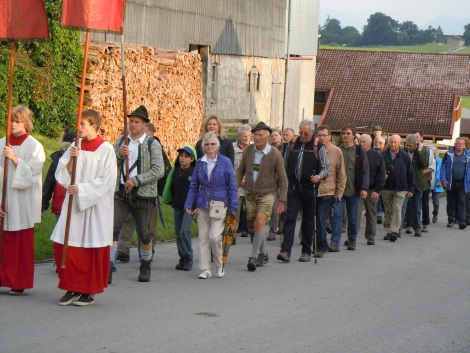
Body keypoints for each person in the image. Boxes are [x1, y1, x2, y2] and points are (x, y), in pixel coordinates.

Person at [51, 109, 117, 306]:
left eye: (83, 124)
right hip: (73, 204)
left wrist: (82, 189)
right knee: (64, 242)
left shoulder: (105, 149)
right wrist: (72, 157)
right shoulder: (75, 145)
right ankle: (71, 286)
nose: (78, 128)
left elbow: (107, 181)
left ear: (94, 126)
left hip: (94, 205)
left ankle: (88, 290)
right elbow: (63, 174)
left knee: (90, 246)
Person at [111, 105, 164, 283]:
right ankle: (109, 264)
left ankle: (146, 264)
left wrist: (137, 180)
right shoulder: (121, 141)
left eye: (136, 122)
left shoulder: (152, 144)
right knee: (112, 228)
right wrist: (119, 155)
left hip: (142, 195)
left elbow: (159, 170)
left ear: (144, 125)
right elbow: (109, 163)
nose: (132, 125)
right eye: (131, 121)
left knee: (144, 233)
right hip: (120, 193)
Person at [0, 105, 45, 296]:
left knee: (20, 244)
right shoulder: (2, 142)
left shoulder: (34, 146)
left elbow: (33, 173)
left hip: (22, 201)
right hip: (4, 199)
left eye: (17, 121)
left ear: (25, 123)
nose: (12, 124)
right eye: (10, 120)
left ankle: (19, 281)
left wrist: (16, 159)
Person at [185, 131, 237, 279]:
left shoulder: (225, 162)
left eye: (213, 144)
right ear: (203, 146)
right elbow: (194, 185)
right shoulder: (200, 163)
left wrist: (233, 207)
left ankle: (220, 264)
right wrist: (189, 203)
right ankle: (205, 268)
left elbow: (232, 185)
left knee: (215, 237)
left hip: (220, 205)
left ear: (217, 145)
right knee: (203, 238)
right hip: (202, 204)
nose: (210, 146)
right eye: (207, 144)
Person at [236, 122, 287, 270]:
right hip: (250, 192)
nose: (256, 138)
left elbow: (283, 178)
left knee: (259, 222)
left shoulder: (275, 154)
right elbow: (240, 171)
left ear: (267, 137)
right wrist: (234, 188)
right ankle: (264, 252)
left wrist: (282, 200)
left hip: (268, 193)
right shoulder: (249, 150)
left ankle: (253, 257)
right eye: (255, 135)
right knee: (254, 226)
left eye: (260, 135)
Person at [277, 120, 329, 263]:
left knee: (307, 221)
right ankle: (285, 251)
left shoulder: (318, 145)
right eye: (301, 132)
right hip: (293, 187)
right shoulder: (292, 144)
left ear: (312, 132)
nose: (303, 135)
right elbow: (284, 164)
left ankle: (306, 251)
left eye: (306, 133)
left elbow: (326, 168)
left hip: (309, 188)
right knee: (290, 218)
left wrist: (319, 176)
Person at [162, 146, 197, 271]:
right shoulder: (176, 171)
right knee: (178, 233)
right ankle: (182, 257)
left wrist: (195, 206)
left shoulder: (194, 172)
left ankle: (189, 257)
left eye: (186, 157)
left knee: (184, 231)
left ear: (192, 159)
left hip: (189, 207)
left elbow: (198, 190)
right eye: (181, 156)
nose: (182, 158)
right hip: (177, 205)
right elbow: (170, 187)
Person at [315, 125, 346, 256]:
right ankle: (316, 243)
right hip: (312, 191)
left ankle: (321, 247)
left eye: (324, 135)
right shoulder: (313, 149)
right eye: (319, 135)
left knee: (321, 220)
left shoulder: (336, 151)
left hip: (328, 191)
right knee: (313, 221)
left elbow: (341, 174)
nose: (322, 138)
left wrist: (339, 192)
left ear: (329, 137)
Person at [338, 125, 369, 251]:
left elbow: (365, 170)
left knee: (353, 217)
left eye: (348, 133)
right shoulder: (337, 149)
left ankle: (352, 240)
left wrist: (364, 188)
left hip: (354, 189)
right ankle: (335, 241)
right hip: (339, 190)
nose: (345, 135)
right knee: (337, 215)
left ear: (353, 135)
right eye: (344, 133)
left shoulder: (359, 151)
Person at [381, 135, 414, 242]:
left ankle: (394, 231)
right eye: (392, 142)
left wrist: (411, 188)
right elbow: (378, 170)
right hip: (386, 188)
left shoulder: (405, 156)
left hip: (400, 188)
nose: (393, 144)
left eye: (395, 142)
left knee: (397, 209)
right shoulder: (383, 155)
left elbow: (410, 173)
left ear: (400, 143)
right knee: (388, 210)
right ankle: (389, 230)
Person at [357, 134, 385, 245]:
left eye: (364, 142)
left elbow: (381, 174)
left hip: (372, 189)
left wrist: (377, 190)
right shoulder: (356, 154)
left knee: (371, 213)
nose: (361, 144)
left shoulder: (377, 155)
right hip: (358, 189)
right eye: (360, 141)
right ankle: (352, 236)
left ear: (370, 142)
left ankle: (370, 236)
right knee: (356, 214)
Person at [42, 131, 75, 222]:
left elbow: (48, 183)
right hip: (61, 202)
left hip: (72, 202)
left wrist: (43, 206)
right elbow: (49, 183)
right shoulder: (58, 159)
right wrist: (42, 206)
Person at [440, 137, 470, 229]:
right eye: (459, 144)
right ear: (455, 144)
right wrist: (443, 179)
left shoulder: (468, 156)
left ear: (464, 145)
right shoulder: (448, 154)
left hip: (463, 182)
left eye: (462, 144)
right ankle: (451, 220)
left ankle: (461, 221)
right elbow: (443, 167)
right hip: (451, 181)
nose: (460, 146)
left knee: (462, 201)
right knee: (451, 201)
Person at [403, 134, 429, 237]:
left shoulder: (422, 152)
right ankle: (402, 227)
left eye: (410, 145)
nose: (408, 147)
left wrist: (418, 152)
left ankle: (417, 227)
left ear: (416, 144)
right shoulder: (403, 152)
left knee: (417, 207)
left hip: (417, 183)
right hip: (405, 182)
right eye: (407, 145)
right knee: (404, 207)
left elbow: (424, 164)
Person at [232, 124, 252, 240]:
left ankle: (254, 234)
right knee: (235, 211)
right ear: (239, 136)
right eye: (244, 136)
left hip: (251, 185)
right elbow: (230, 166)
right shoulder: (232, 148)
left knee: (251, 212)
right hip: (237, 184)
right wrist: (239, 179)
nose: (247, 138)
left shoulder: (255, 148)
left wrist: (247, 179)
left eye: (249, 136)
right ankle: (232, 235)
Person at [413, 131, 435, 233]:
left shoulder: (427, 150)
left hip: (424, 180)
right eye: (414, 137)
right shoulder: (410, 149)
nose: (416, 139)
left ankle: (425, 223)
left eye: (417, 137)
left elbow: (431, 167)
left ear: (421, 138)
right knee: (412, 203)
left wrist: (419, 173)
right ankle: (410, 223)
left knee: (424, 203)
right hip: (412, 180)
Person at [268, 128, 283, 240]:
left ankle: (282, 227)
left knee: (284, 207)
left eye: (276, 135)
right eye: (272, 135)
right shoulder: (268, 149)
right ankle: (272, 230)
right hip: (272, 181)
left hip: (283, 181)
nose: (274, 137)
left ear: (280, 136)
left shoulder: (286, 148)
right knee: (273, 208)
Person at [430, 146, 444, 224]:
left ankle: (435, 214)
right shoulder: (428, 161)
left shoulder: (440, 161)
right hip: (428, 183)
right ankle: (424, 216)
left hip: (437, 183)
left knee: (436, 202)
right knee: (424, 201)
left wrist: (441, 181)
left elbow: (442, 172)